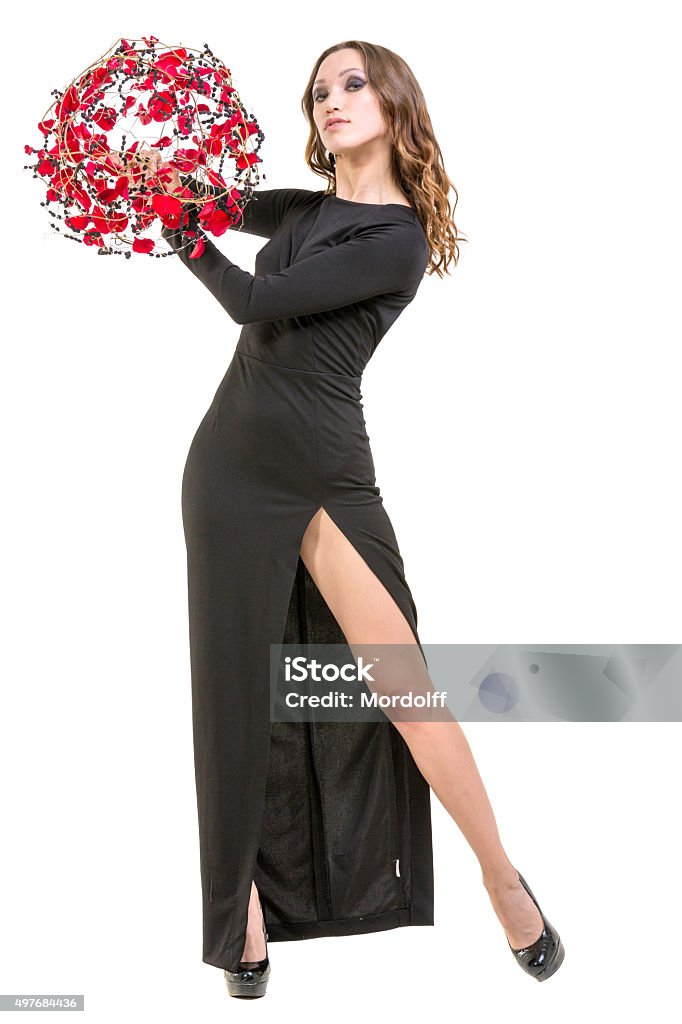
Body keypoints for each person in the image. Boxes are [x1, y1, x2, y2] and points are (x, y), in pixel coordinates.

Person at [155, 40, 565, 997]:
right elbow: (211, 204)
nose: (330, 100)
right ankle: (240, 911)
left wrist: (184, 232)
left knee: (408, 697)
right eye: (318, 90)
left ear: (392, 102)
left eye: (351, 84)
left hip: (328, 475)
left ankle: (501, 879)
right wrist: (154, 182)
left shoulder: (395, 237)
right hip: (227, 469)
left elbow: (251, 297)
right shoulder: (303, 210)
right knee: (228, 698)